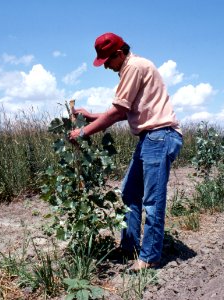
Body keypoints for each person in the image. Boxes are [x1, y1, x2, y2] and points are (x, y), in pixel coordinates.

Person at [69, 32, 183, 271]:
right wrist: (91, 116)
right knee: (129, 193)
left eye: (107, 61)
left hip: (159, 136)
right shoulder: (134, 67)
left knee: (152, 200)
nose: (106, 67)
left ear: (119, 54)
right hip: (151, 137)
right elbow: (123, 110)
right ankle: (129, 247)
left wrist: (83, 132)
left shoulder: (134, 67)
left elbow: (118, 112)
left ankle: (150, 257)